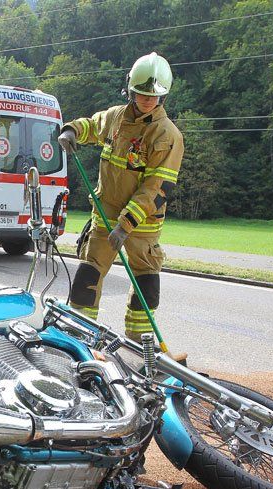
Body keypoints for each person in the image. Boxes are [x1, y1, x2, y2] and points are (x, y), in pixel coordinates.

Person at [58, 52, 184, 344]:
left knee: (145, 279)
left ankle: (140, 341)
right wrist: (72, 130)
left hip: (141, 225)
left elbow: (156, 188)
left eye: (153, 96)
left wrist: (126, 224)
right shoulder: (116, 117)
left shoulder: (167, 135)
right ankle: (79, 335)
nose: (147, 100)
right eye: (141, 94)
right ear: (130, 90)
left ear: (163, 96)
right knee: (88, 275)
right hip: (106, 215)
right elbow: (93, 125)